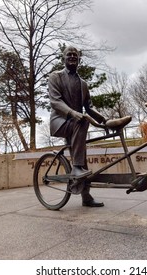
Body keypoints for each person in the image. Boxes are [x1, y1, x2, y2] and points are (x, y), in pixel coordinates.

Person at [48, 46, 105, 207]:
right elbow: (55, 101)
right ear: (63, 58)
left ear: (79, 59)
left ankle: (86, 196)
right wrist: (73, 113)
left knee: (82, 154)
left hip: (77, 123)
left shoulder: (83, 84)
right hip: (60, 121)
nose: (72, 57)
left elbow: (89, 107)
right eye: (69, 55)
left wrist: (103, 120)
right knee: (82, 122)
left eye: (75, 55)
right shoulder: (55, 77)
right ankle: (76, 167)